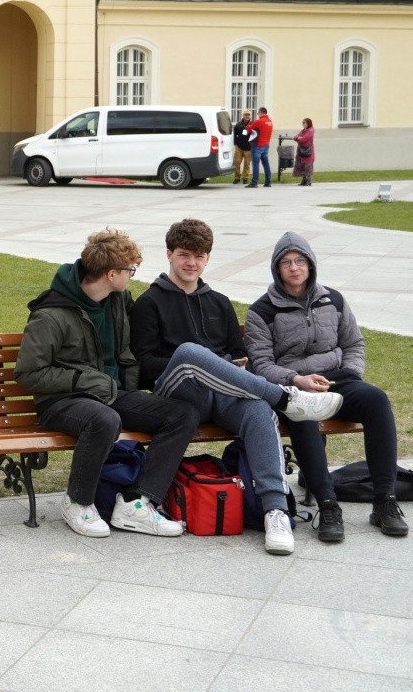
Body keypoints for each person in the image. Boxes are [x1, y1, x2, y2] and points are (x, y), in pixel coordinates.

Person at [130, 218, 346, 555]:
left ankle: (275, 511)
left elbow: (237, 351)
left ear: (208, 258)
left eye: (199, 256)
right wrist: (204, 363)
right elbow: (144, 367)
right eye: (184, 255)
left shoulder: (219, 301)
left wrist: (233, 363)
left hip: (223, 394)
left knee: (258, 409)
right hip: (177, 394)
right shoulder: (149, 303)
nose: (191, 263)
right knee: (190, 353)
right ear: (169, 254)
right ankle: (285, 398)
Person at [14, 229, 201, 539]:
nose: (132, 276)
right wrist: (84, 379)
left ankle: (137, 502)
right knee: (104, 419)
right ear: (112, 274)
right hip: (61, 401)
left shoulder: (118, 300)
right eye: (130, 270)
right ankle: (78, 502)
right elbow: (29, 373)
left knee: (182, 414)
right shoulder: (51, 315)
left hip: (112, 394)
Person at [244, 232, 408, 542]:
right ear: (277, 269)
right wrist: (297, 380)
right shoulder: (262, 311)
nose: (294, 267)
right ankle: (328, 504)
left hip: (337, 380)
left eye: (300, 260)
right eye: (286, 262)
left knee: (376, 400)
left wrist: (350, 374)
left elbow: (354, 343)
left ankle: (385, 501)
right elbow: (262, 365)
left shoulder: (333, 299)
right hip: (293, 386)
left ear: (311, 264)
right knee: (303, 413)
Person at [245, 106, 274, 188]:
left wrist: (248, 127)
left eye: (258, 113)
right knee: (266, 163)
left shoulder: (259, 121)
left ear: (261, 113)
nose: (258, 115)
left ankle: (254, 182)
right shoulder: (270, 122)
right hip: (266, 145)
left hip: (257, 145)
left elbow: (248, 130)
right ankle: (268, 181)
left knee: (255, 164)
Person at [232, 109, 255, 185]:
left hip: (249, 147)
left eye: (248, 115)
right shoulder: (238, 125)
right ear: (243, 116)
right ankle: (237, 178)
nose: (247, 116)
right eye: (246, 115)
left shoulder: (253, 124)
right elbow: (235, 134)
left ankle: (245, 178)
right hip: (239, 147)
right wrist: (235, 143)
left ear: (250, 116)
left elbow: (256, 134)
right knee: (237, 162)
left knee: (247, 164)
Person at [293, 118, 315, 186]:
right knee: (302, 165)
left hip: (307, 151)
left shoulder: (310, 131)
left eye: (304, 123)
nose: (303, 124)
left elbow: (303, 139)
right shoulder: (303, 131)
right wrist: (298, 138)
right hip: (301, 150)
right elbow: (296, 137)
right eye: (302, 123)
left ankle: (308, 180)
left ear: (308, 123)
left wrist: (298, 138)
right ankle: (304, 180)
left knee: (307, 165)